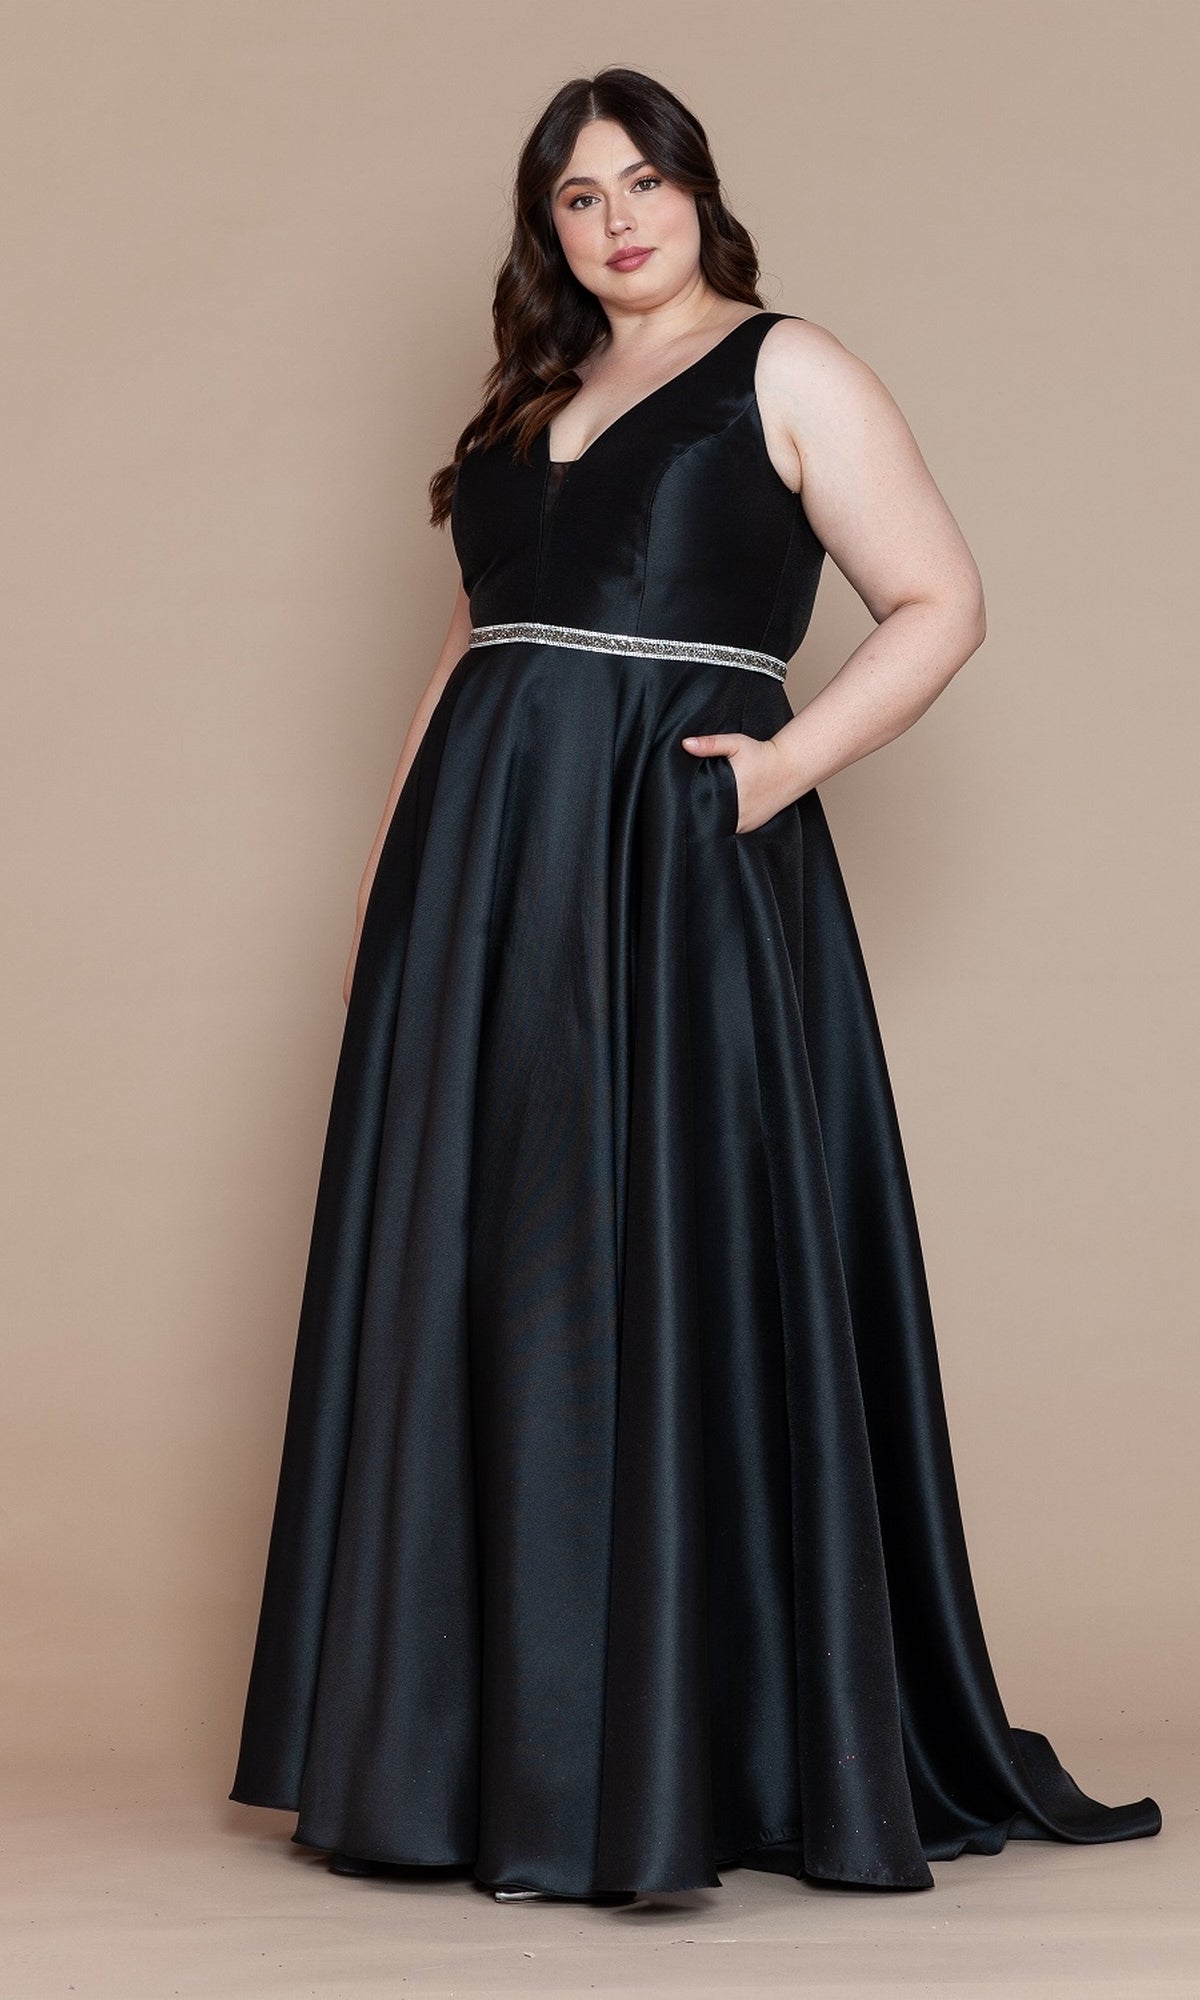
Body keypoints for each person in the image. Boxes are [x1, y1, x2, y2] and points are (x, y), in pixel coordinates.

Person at [228, 66, 1162, 1904]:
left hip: (673, 875)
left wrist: (777, 771)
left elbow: (942, 600)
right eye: (577, 198)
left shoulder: (790, 367)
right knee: (501, 1283)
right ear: (549, 232)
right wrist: (386, 907)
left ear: (699, 192)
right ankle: (477, 1770)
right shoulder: (532, 403)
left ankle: (655, 1766)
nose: (615, 221)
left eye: (641, 182)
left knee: (647, 1274)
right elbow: (465, 661)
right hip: (481, 892)